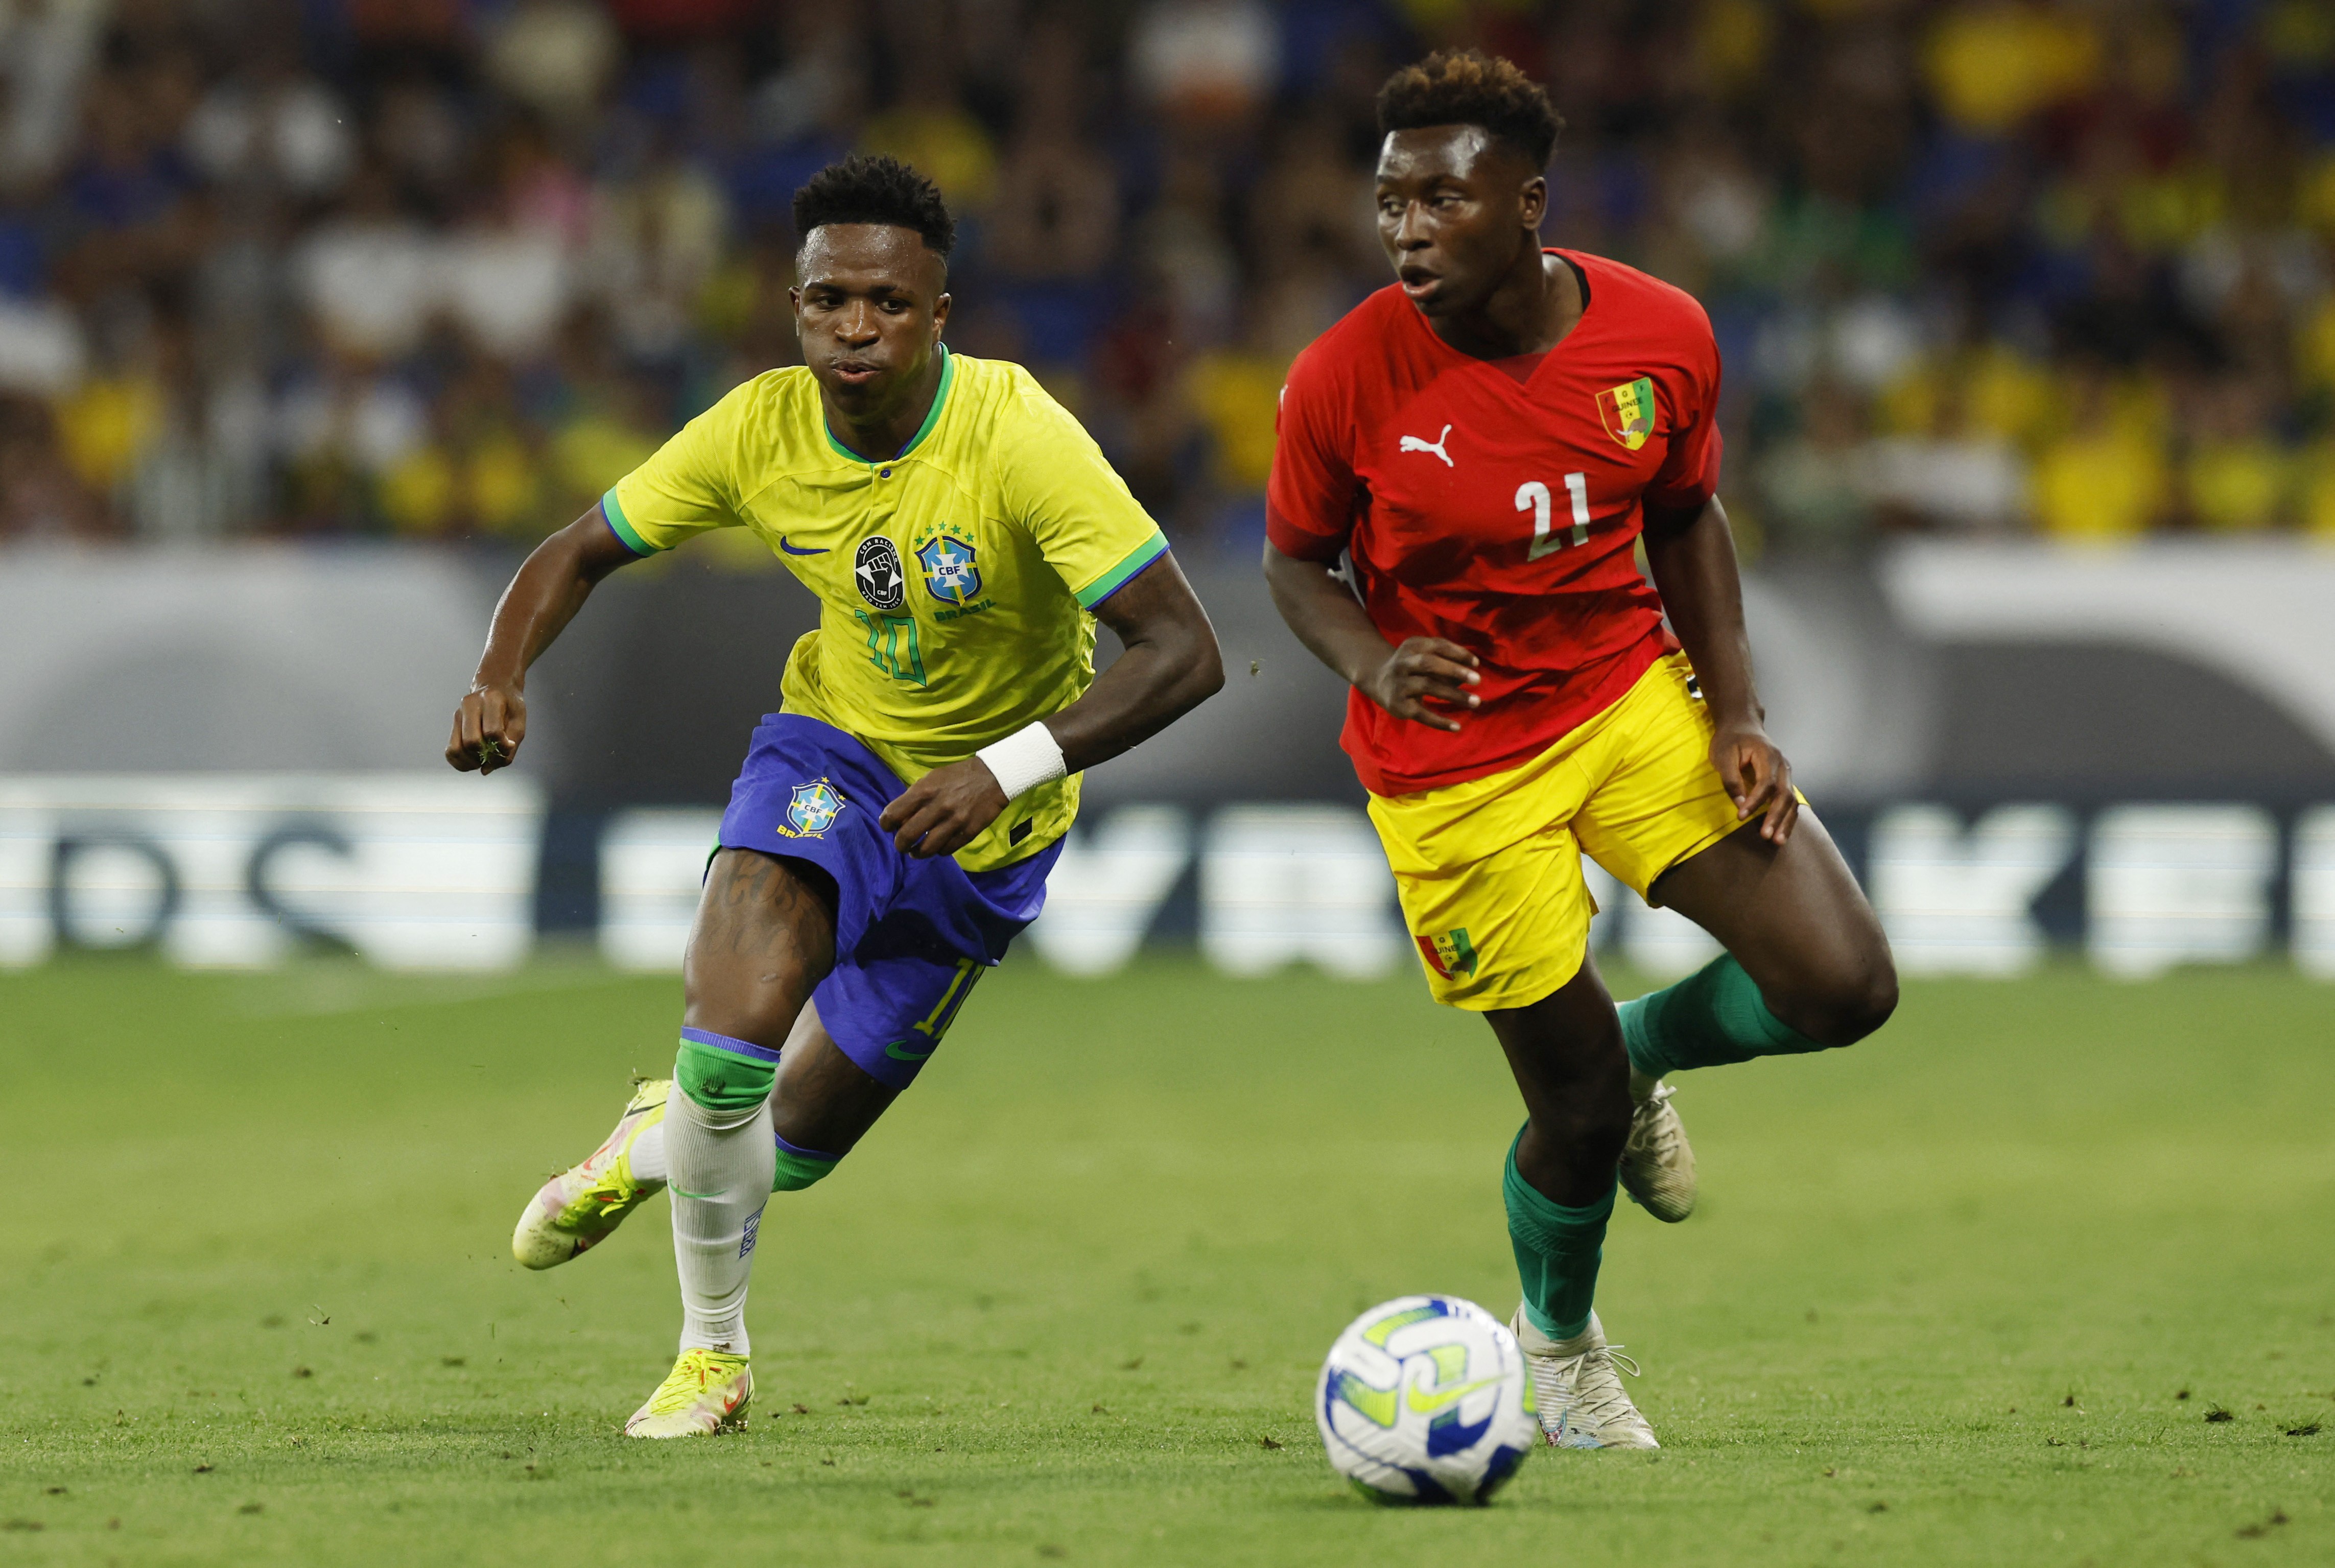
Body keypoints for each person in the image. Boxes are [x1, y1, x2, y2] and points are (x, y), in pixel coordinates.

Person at [447, 154, 1223, 1439]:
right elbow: (581, 547)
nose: (855, 327)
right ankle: (714, 1355)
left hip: (994, 821)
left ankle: (653, 1143)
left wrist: (1004, 767)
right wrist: (499, 671)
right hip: (835, 757)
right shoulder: (759, 427)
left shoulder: (1018, 434)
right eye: (828, 302)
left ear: (939, 315)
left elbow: (1184, 651)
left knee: (786, 1145)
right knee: (735, 1017)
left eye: (886, 303)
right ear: (796, 307)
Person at [1262, 53, 1896, 1450]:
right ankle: (1557, 1343)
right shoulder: (1345, 373)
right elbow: (1294, 565)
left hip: (1623, 697)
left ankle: (1642, 1045)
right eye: (1387, 202)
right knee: (1570, 1110)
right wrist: (1371, 658)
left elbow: (1685, 516)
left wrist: (1734, 710)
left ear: (1528, 201)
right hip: (1453, 766)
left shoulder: (1661, 332)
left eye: (1441, 197)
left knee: (1844, 981)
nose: (1406, 228)